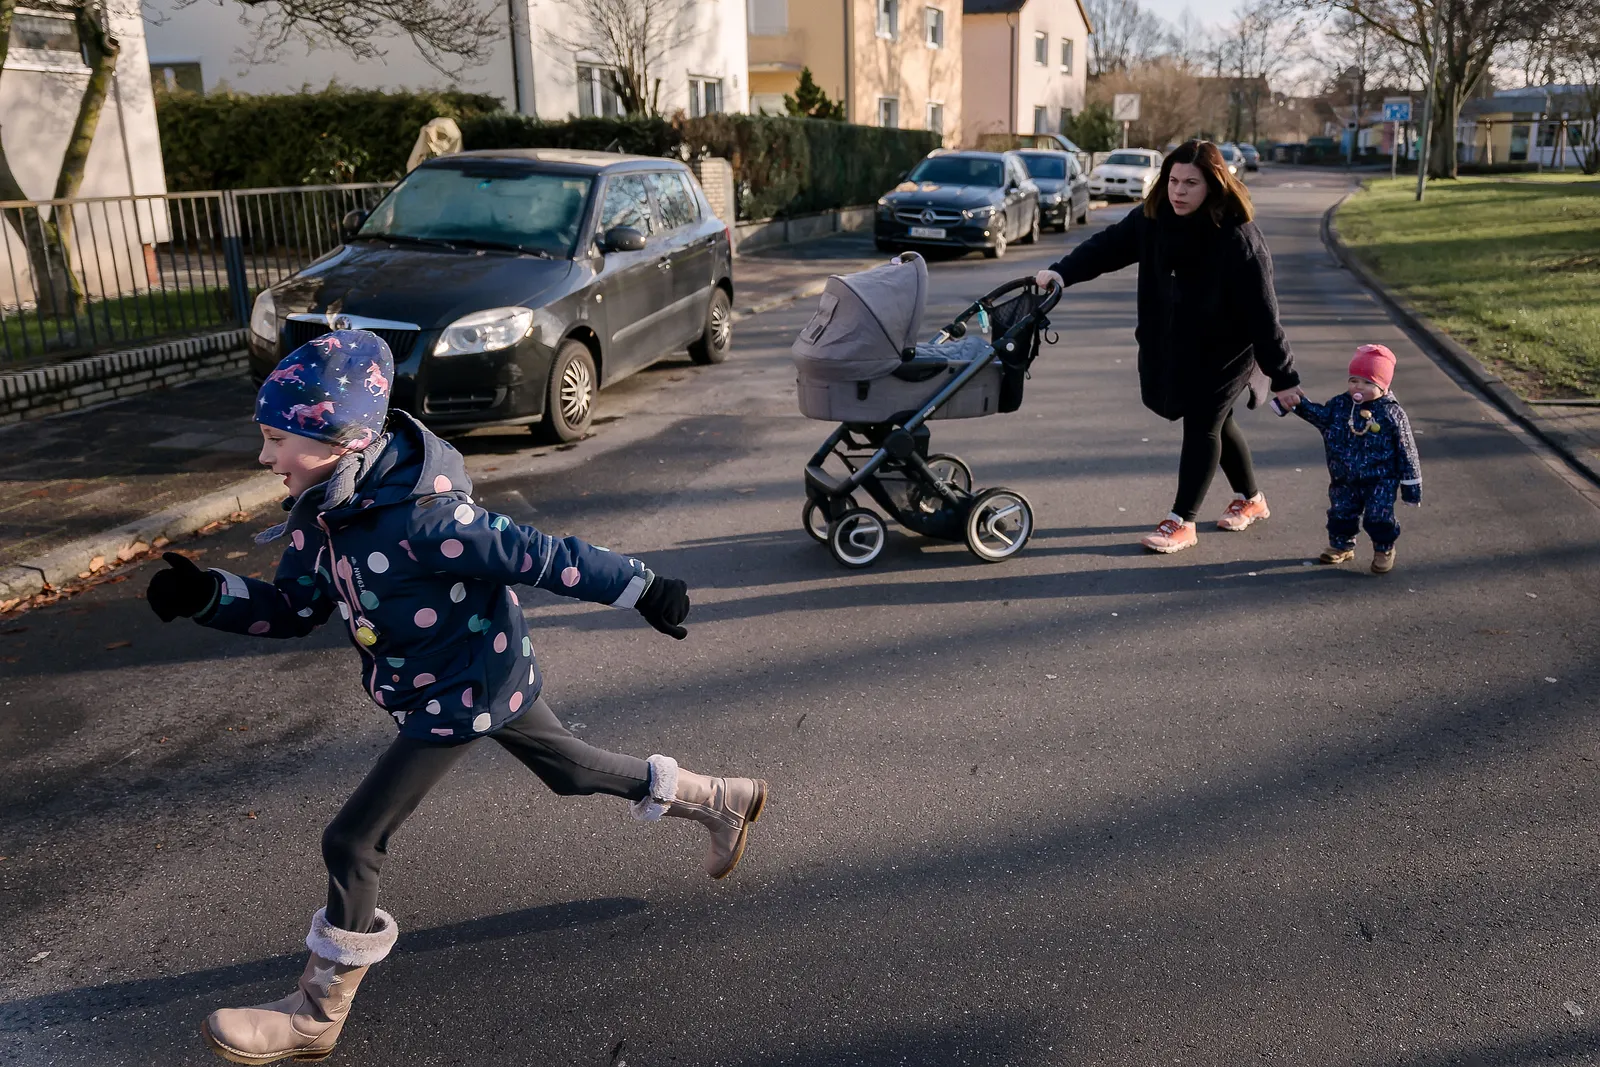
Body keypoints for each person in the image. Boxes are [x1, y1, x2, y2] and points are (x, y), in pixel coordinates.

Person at [145, 330, 768, 1065]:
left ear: (339, 440)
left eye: (277, 439)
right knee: (570, 770)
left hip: (461, 691)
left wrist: (643, 586)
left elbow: (542, 555)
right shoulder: (325, 512)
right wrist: (208, 594)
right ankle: (719, 798)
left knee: (352, 839)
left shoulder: (429, 518)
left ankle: (317, 1014)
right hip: (463, 682)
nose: (264, 457)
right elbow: (294, 608)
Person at [1035, 140, 1305, 554]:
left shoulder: (1239, 238)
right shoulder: (1153, 220)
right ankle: (1252, 500)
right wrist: (1060, 274)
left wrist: (1285, 376)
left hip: (1228, 350)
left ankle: (1182, 522)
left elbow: (1264, 316)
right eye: (1173, 180)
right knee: (1217, 422)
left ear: (1214, 185)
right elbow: (1106, 247)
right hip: (1174, 344)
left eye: (1191, 183)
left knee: (1203, 423)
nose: (1179, 191)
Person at [1283, 343, 1422, 574]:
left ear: (1383, 386)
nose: (1359, 387)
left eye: (1368, 383)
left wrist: (1411, 487)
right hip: (1343, 475)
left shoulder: (1391, 413)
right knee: (1341, 512)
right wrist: (1298, 406)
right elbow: (1322, 418)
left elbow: (1407, 450)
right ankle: (1341, 545)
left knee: (1379, 516)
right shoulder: (1340, 405)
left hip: (1380, 478)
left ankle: (1383, 548)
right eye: (1354, 380)